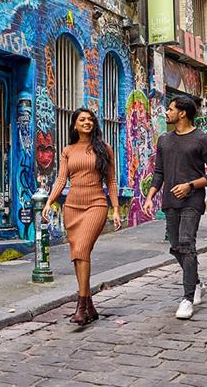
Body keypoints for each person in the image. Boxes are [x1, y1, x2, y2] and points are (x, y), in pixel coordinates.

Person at [144, 95, 207, 320]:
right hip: (170, 201)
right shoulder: (164, 140)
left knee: (187, 244)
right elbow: (159, 172)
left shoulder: (202, 139)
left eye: (170, 109)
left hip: (192, 200)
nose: (166, 113)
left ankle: (187, 298)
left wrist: (190, 186)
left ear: (182, 113)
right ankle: (196, 282)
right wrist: (150, 197)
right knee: (176, 247)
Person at [42, 108, 122, 325]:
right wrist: (49, 202)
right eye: (82, 120)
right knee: (78, 254)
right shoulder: (68, 150)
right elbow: (61, 179)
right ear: (75, 125)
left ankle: (80, 304)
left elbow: (111, 181)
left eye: (90, 119)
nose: (87, 122)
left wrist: (115, 209)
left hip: (96, 204)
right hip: (73, 206)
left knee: (83, 248)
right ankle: (89, 306)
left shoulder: (105, 149)